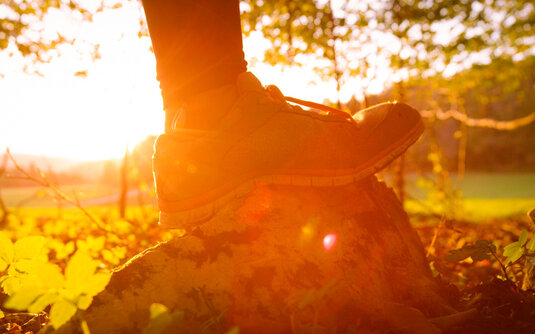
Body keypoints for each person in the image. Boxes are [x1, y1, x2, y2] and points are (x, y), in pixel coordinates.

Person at [141, 0, 423, 228]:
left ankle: (195, 136)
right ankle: (226, 106)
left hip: (187, 149)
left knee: (187, 97)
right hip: (230, 115)